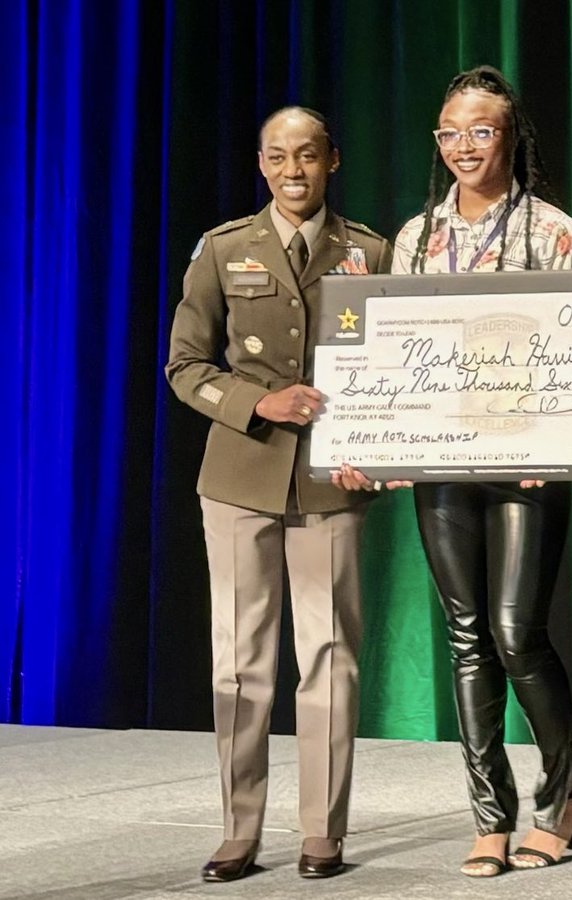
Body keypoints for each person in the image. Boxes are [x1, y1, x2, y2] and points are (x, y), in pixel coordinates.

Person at [335, 65, 572, 878]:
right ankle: (490, 814)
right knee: (466, 637)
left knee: (517, 634)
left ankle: (564, 795)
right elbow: (397, 352)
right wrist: (385, 440)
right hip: (443, 465)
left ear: (512, 136)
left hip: (528, 466)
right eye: (450, 133)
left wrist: (562, 445)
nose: (464, 147)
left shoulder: (554, 233)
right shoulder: (416, 238)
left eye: (481, 130)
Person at [165, 106, 391, 882]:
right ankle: (239, 828)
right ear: (260, 165)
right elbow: (185, 365)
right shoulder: (224, 250)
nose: (292, 170)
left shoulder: (369, 251)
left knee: (330, 657)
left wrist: (379, 447)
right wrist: (257, 403)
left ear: (334, 159)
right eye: (276, 157)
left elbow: (394, 371)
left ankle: (322, 831)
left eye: (307, 155)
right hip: (240, 476)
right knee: (240, 662)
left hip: (331, 479)